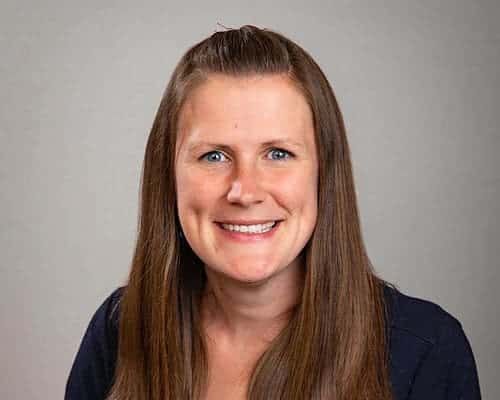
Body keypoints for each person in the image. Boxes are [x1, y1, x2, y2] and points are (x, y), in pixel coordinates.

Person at [65, 25, 481, 400]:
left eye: (278, 153)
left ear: (324, 173)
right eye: (213, 156)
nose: (245, 190)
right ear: (168, 176)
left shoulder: (426, 351)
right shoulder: (120, 330)